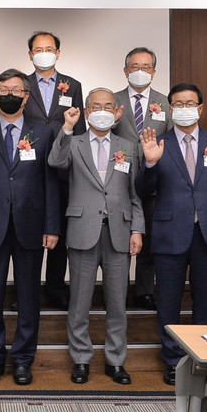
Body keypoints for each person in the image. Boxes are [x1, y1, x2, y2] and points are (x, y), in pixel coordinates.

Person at [0, 69, 60, 386]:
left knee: (29, 296)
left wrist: (52, 226)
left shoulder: (43, 134)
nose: (10, 94)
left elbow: (51, 183)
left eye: (17, 89)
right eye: (4, 89)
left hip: (31, 224)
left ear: (26, 96)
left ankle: (22, 360)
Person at [136, 83, 207, 386]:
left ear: (201, 108)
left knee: (206, 300)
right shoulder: (157, 142)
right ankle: (172, 360)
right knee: (168, 300)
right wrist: (151, 162)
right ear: (170, 108)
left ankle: (202, 359)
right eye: (178, 103)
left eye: (190, 103)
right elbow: (143, 190)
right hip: (169, 233)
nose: (184, 107)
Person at [48, 88, 144, 385]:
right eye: (95, 106)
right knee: (79, 303)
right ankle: (80, 360)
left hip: (119, 233)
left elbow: (135, 194)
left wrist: (137, 228)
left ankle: (115, 361)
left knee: (117, 304)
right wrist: (65, 127)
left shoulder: (128, 146)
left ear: (117, 112)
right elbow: (55, 162)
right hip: (82, 231)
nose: (102, 111)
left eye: (108, 106)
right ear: (87, 113)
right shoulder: (74, 143)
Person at [22, 31, 85, 311]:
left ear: (58, 53)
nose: (44, 53)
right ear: (30, 54)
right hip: (29, 166)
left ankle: (56, 289)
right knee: (30, 230)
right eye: (38, 49)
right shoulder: (19, 85)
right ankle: (28, 291)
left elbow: (79, 129)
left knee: (59, 229)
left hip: (63, 168)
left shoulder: (72, 85)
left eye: (49, 48)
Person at [112, 46, 174, 311]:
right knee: (118, 238)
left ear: (154, 72)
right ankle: (117, 291)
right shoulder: (111, 101)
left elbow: (171, 142)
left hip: (152, 180)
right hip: (116, 179)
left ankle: (144, 291)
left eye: (146, 67)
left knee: (148, 239)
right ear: (125, 71)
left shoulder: (166, 102)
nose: (140, 72)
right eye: (135, 67)